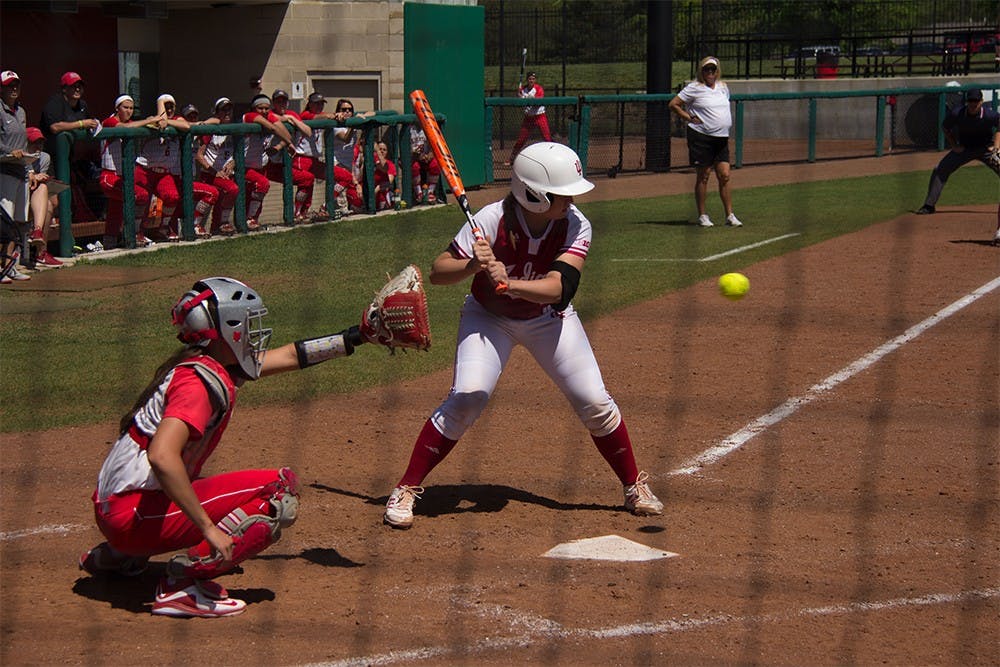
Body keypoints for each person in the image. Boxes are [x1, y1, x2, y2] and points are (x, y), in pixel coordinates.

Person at [382, 142, 663, 529]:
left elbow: (559, 288)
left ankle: (634, 485)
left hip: (550, 319)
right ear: (534, 195)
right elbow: (438, 271)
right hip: (487, 318)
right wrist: (472, 265)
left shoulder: (577, 223)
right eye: (562, 194)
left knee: (594, 401)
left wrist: (510, 283)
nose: (570, 200)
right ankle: (407, 488)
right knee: (467, 398)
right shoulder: (492, 218)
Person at [78, 276, 382, 617]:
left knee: (193, 485)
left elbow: (286, 357)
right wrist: (208, 530)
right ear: (228, 328)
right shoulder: (198, 385)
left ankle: (118, 556)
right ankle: (181, 585)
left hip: (117, 513)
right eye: (248, 322)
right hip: (132, 516)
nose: (254, 332)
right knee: (278, 490)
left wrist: (356, 337)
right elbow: (162, 456)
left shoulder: (203, 363)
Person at [668, 56, 743, 228]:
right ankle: (702, 215)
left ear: (717, 72)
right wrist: (689, 117)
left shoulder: (723, 88)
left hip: (721, 137)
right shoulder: (694, 88)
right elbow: (674, 104)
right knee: (704, 175)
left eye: (713, 70)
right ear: (701, 71)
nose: (710, 73)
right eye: (707, 70)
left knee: (725, 175)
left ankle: (729, 215)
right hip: (701, 136)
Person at [1, 71, 61, 269]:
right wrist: (12, 152)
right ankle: (3, 266)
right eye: (9, 85)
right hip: (5, 169)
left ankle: (11, 266)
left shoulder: (21, 112)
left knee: (18, 221)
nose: (13, 89)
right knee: (7, 222)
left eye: (16, 85)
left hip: (21, 170)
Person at [135, 94, 217, 240]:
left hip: (164, 172)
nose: (169, 109)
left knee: (172, 197)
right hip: (145, 169)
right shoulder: (152, 119)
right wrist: (160, 102)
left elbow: (186, 125)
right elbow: (160, 123)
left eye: (171, 106)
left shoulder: (178, 121)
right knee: (142, 201)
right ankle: (136, 233)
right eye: (166, 106)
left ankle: (164, 228)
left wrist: (170, 121)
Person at [915, 88, 999, 227]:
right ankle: (929, 205)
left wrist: (996, 147)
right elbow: (945, 127)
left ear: (981, 102)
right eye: (970, 101)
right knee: (940, 169)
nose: (973, 104)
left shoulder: (989, 115)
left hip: (986, 149)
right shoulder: (957, 114)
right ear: (967, 102)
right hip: (964, 149)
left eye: (976, 101)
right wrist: (954, 145)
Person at [39, 71, 103, 224]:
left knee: (65, 199)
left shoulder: (82, 105)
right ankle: (45, 239)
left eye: (80, 86)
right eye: (73, 86)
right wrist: (81, 124)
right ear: (64, 88)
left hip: (68, 159)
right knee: (53, 202)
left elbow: (90, 124)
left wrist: (93, 125)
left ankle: (61, 236)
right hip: (48, 160)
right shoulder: (55, 103)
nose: (77, 89)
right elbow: (54, 127)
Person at [100, 94, 161, 248]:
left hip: (123, 176)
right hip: (109, 176)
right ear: (117, 108)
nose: (128, 111)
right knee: (140, 195)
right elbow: (124, 128)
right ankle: (133, 233)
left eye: (131, 108)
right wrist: (148, 121)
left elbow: (154, 124)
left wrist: (156, 120)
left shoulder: (132, 123)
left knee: (115, 208)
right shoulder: (110, 120)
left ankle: (111, 241)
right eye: (125, 107)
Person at [299, 93, 363, 216]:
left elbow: (371, 114)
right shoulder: (306, 114)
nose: (319, 106)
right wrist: (334, 116)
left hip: (314, 159)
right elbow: (344, 137)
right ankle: (301, 213)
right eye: (316, 103)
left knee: (309, 184)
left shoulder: (335, 118)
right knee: (306, 183)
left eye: (321, 103)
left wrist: (360, 116)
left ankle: (305, 213)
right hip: (302, 157)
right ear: (309, 104)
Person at [242, 93, 296, 230]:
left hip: (261, 165)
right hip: (244, 165)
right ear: (254, 108)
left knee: (257, 194)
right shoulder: (250, 116)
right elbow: (272, 128)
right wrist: (290, 144)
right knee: (262, 185)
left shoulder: (269, 116)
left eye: (267, 108)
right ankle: (249, 219)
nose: (265, 111)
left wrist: (279, 146)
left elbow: (287, 134)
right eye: (260, 108)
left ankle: (252, 220)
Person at [265, 89, 316, 223]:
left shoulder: (292, 114)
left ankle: (297, 212)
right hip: (268, 162)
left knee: (308, 178)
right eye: (278, 101)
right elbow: (272, 119)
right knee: (259, 187)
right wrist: (286, 119)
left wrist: (293, 119)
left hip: (284, 162)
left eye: (284, 101)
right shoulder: (268, 113)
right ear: (273, 103)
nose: (281, 104)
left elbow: (308, 132)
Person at [195, 97, 240, 235]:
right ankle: (204, 225)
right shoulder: (211, 129)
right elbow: (199, 155)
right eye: (223, 109)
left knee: (226, 196)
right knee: (231, 190)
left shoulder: (234, 128)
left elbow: (239, 152)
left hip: (227, 173)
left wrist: (233, 163)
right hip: (210, 174)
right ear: (216, 111)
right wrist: (214, 171)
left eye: (229, 109)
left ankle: (218, 225)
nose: (227, 112)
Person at [330, 97, 368, 214]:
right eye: (344, 109)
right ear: (338, 111)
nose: (347, 112)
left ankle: (338, 210)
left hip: (347, 161)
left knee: (343, 191)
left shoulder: (353, 120)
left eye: (350, 110)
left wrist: (364, 116)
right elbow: (345, 139)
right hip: (336, 161)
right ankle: (327, 204)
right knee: (342, 184)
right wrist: (354, 124)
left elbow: (372, 113)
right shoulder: (336, 125)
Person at [509, 71, 552, 162]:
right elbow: (521, 100)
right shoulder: (522, 89)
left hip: (540, 116)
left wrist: (523, 98)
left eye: (533, 79)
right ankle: (512, 158)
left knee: (547, 137)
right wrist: (519, 96)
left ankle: (552, 157)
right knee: (521, 139)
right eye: (530, 79)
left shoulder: (539, 88)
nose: (531, 80)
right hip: (529, 117)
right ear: (527, 80)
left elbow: (536, 101)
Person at [409, 124, 440, 205]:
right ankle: (419, 193)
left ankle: (430, 192)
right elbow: (406, 149)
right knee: (414, 166)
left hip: (426, 157)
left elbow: (435, 144)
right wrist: (416, 155)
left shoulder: (429, 127)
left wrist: (430, 154)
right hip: (414, 157)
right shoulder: (408, 129)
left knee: (435, 164)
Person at [372, 139, 397, 211]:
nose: (382, 151)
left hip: (381, 194)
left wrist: (375, 190)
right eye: (380, 149)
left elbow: (388, 182)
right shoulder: (371, 161)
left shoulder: (390, 164)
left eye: (384, 150)